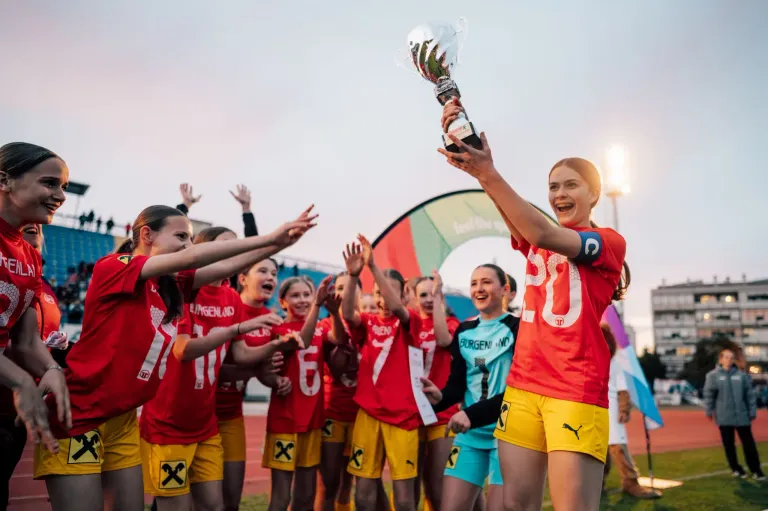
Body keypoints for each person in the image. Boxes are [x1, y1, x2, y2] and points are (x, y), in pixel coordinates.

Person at [33, 204, 316, 511]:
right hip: (81, 412)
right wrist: (268, 238)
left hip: (122, 417)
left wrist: (279, 245)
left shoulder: (171, 284)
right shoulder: (114, 266)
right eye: (181, 235)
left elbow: (223, 268)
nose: (187, 244)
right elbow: (192, 258)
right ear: (147, 235)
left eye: (191, 238)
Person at [439, 98, 629, 511]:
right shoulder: (537, 233)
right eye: (553, 186)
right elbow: (518, 215)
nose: (559, 193)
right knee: (514, 506)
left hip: (573, 390)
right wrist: (471, 150)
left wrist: (489, 172)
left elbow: (541, 233)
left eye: (571, 185)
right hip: (523, 389)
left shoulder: (607, 242)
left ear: (594, 193)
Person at [139, 227, 301, 510]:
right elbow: (183, 351)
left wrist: (278, 347)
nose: (233, 252)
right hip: (168, 421)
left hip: (205, 423)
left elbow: (241, 354)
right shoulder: (182, 292)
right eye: (226, 246)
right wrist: (237, 329)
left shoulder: (231, 298)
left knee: (217, 506)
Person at [0, 142, 71, 508]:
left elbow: (26, 340)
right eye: (50, 183)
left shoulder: (29, 255)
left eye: (63, 187)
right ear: (5, 180)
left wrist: (51, 369)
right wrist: (21, 379)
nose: (60, 196)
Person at [421, 264, 519, 511]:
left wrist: (471, 415)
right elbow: (458, 384)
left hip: (507, 437)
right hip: (471, 436)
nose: (479, 289)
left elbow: (517, 393)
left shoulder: (518, 329)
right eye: (474, 283)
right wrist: (441, 397)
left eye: (486, 282)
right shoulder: (464, 331)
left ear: (505, 289)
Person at [341, 236, 422, 511]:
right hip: (368, 415)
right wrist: (353, 276)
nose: (382, 299)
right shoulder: (367, 322)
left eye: (388, 292)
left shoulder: (411, 321)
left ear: (403, 294)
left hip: (403, 418)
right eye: (377, 292)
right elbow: (348, 315)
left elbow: (397, 308)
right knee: (363, 494)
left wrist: (373, 267)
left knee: (404, 499)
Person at [263, 275, 338, 511]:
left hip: (313, 421)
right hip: (284, 420)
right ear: (282, 301)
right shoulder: (278, 329)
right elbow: (300, 343)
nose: (303, 300)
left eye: (307, 294)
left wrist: (334, 312)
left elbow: (339, 338)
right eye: (295, 295)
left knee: (306, 495)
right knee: (281, 496)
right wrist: (317, 304)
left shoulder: (322, 327)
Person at [216, 257, 282, 511]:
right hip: (200, 415)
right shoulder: (226, 309)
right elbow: (214, 371)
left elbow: (265, 374)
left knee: (231, 499)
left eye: (274, 273)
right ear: (242, 278)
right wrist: (256, 369)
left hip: (233, 414)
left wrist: (277, 380)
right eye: (262, 271)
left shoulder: (273, 319)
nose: (270, 277)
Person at [411, 272, 458, 511]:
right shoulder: (409, 324)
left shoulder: (450, 323)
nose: (428, 299)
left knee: (438, 486)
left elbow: (443, 340)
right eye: (423, 294)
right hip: (411, 415)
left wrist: (438, 300)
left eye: (434, 293)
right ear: (412, 297)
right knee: (411, 486)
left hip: (442, 414)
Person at [601, 324, 661, 498]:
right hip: (592, 409)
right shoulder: (588, 358)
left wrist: (624, 409)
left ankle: (631, 482)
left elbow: (622, 389)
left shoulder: (615, 361)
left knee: (618, 446)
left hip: (611, 409)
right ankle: (598, 484)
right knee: (598, 449)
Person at [704, 348, 765, 481]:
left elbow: (750, 395)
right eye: (726, 357)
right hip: (724, 416)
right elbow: (709, 395)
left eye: (731, 358)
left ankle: (756, 470)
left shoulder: (742, 376)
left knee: (749, 444)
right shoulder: (712, 376)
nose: (729, 360)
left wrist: (752, 411)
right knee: (729, 445)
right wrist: (708, 410)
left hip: (742, 416)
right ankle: (736, 468)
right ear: (721, 359)